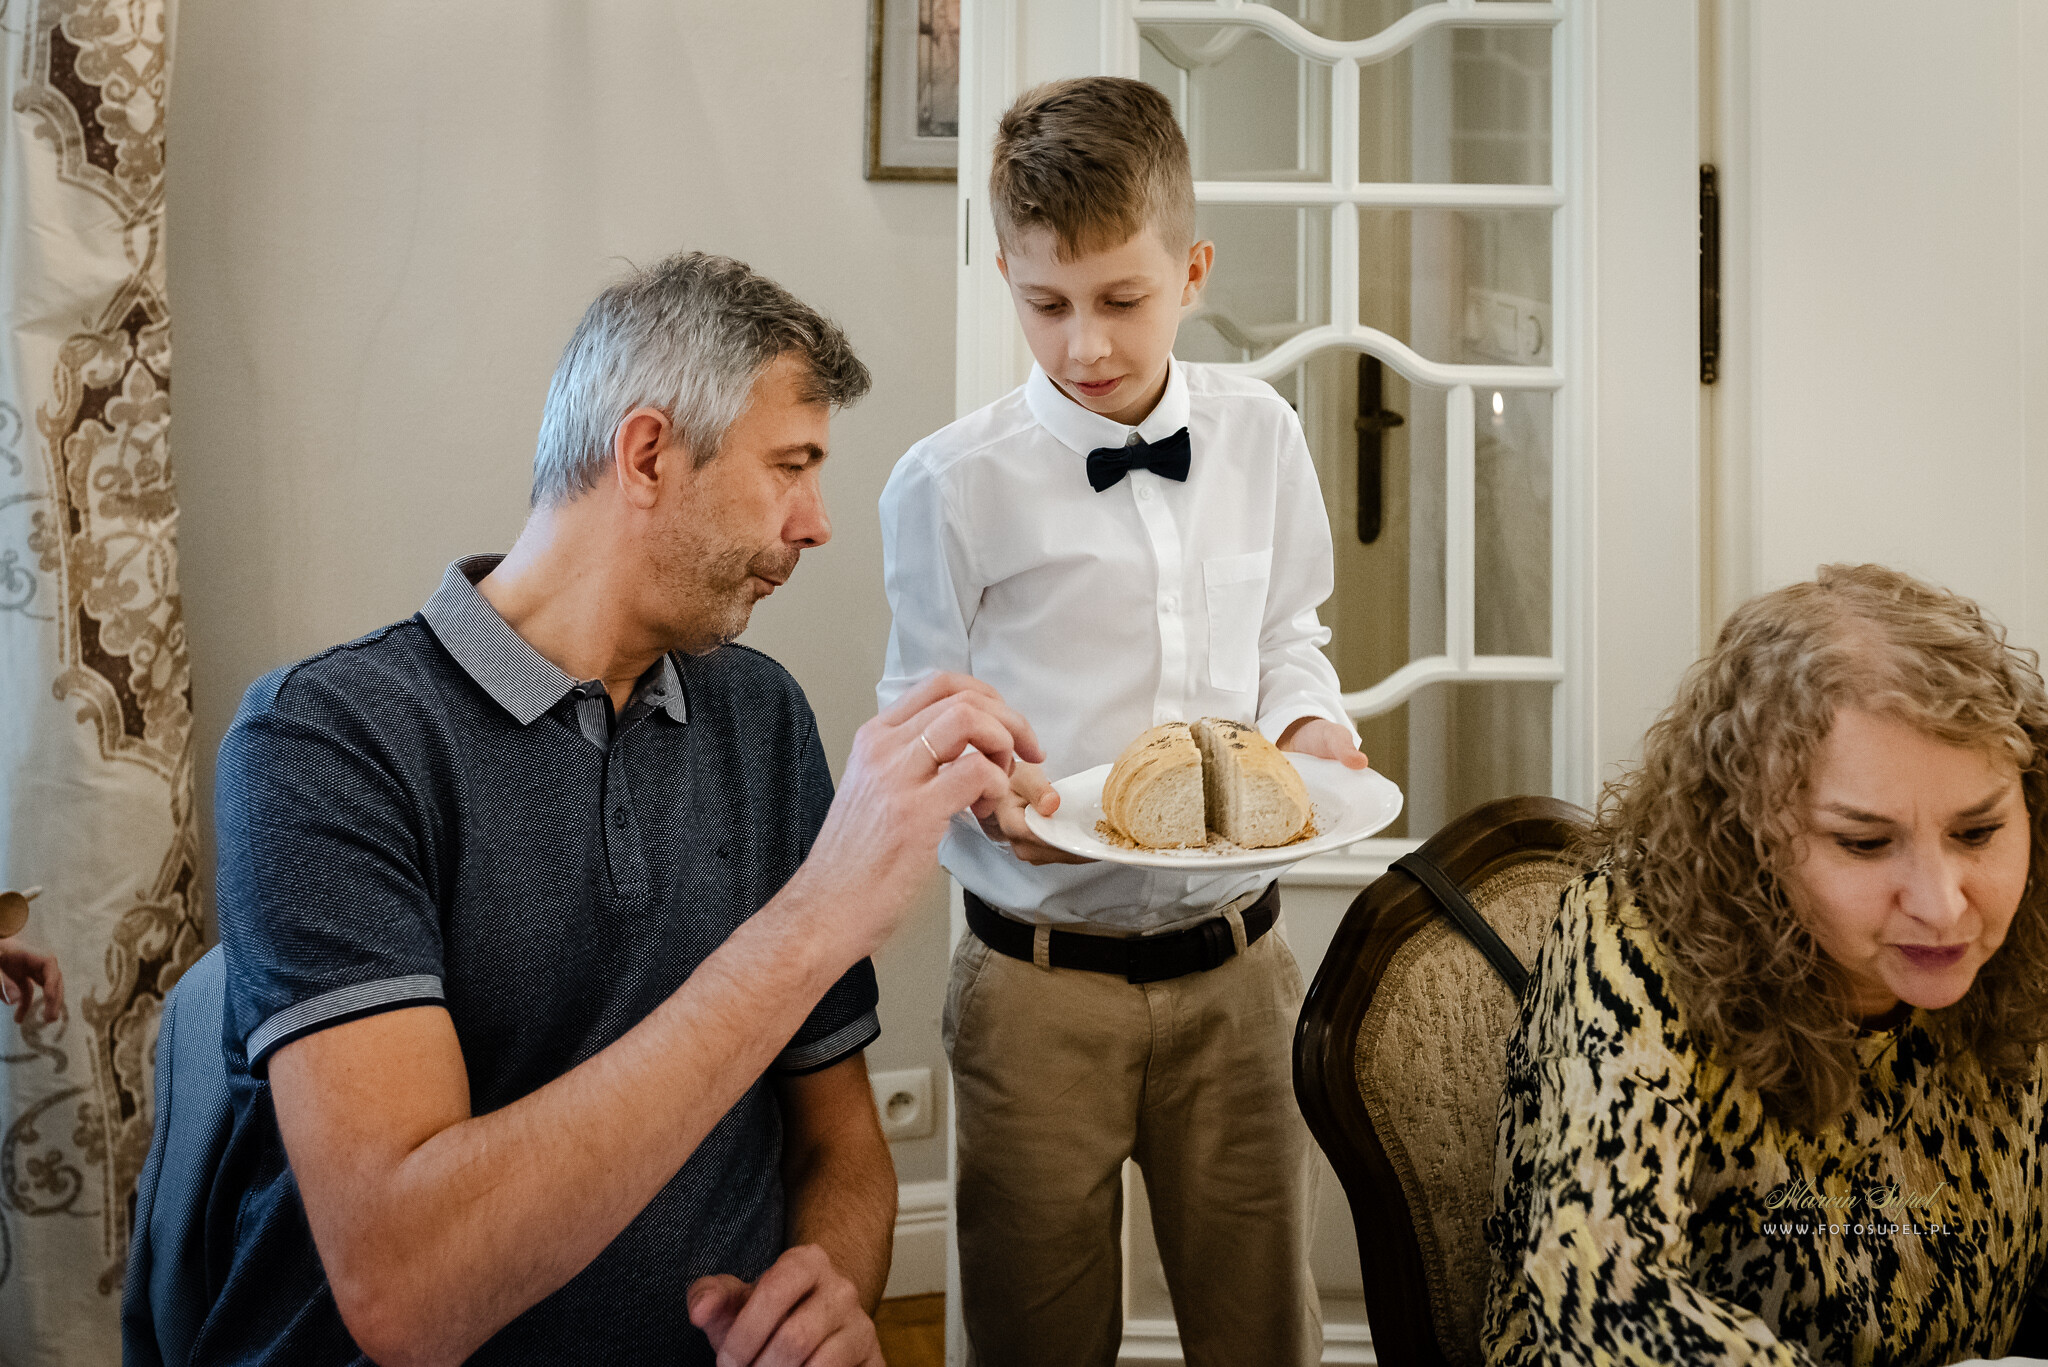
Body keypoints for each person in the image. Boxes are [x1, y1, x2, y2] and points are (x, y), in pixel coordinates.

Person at [206, 252, 1044, 1367]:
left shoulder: (759, 712)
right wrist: (820, 915)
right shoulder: (325, 741)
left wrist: (827, 1290)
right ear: (646, 454)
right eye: (790, 467)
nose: (816, 523)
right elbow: (409, 1292)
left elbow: (839, 1145)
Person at [877, 77, 1367, 1367]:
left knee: (1261, 1329)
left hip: (1240, 976)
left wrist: (1307, 726)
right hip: (1034, 987)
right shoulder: (945, 485)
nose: (1083, 344)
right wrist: (979, 785)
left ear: (1190, 271)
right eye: (1045, 304)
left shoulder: (1261, 436)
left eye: (1119, 299)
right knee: (1035, 1335)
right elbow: (918, 708)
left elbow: (1289, 635)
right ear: (1005, 274)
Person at [1485, 563, 2048, 1365]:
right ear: (1750, 828)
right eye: (1865, 842)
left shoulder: (2031, 918)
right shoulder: (1635, 936)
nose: (1943, 904)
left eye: (1979, 831)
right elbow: (1603, 1301)